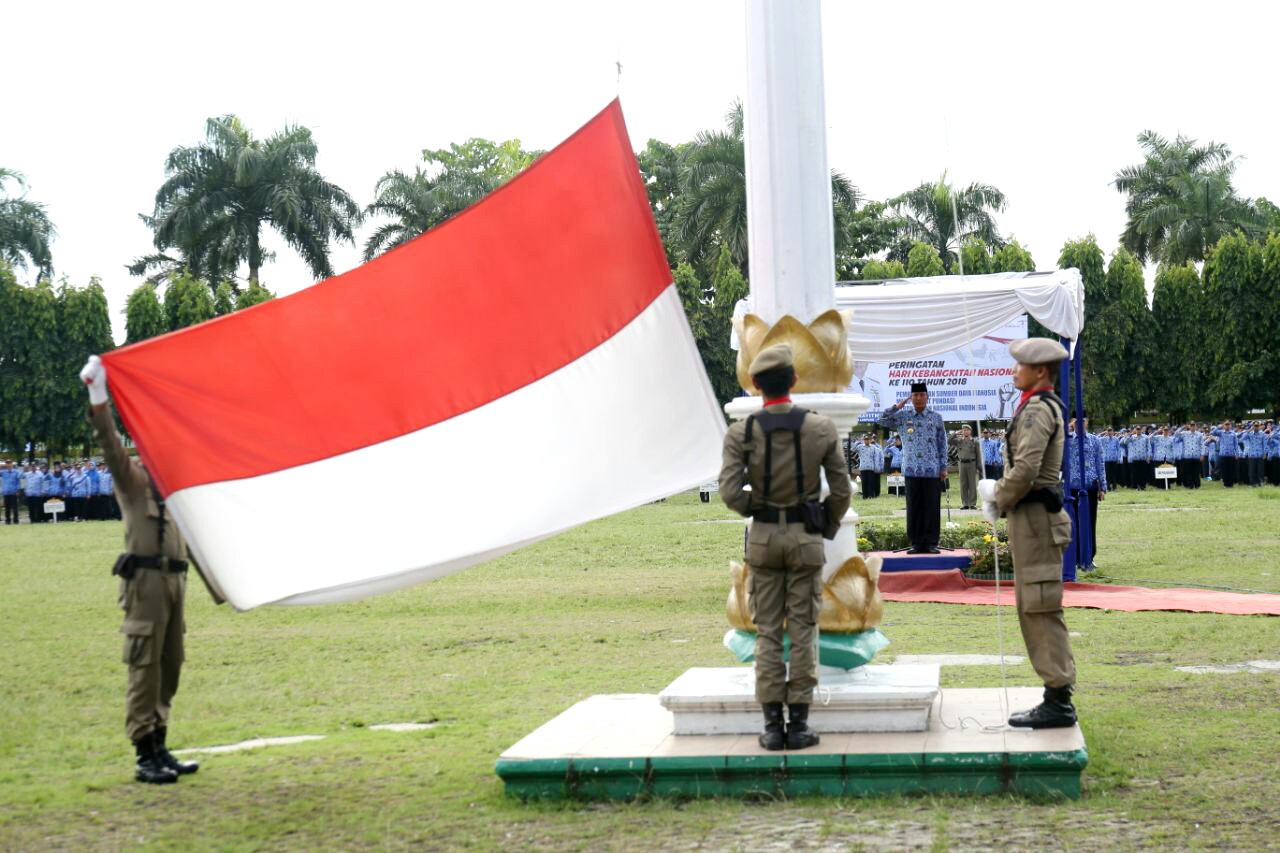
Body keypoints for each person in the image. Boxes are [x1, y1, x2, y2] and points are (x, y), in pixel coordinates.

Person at [719, 344, 851, 752]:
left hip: (763, 538)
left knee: (768, 634)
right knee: (805, 630)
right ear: (793, 380)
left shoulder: (742, 431)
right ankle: (800, 724)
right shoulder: (821, 428)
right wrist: (824, 524)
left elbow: (727, 491)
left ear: (756, 385)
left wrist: (756, 506)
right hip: (805, 539)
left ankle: (772, 725)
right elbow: (842, 490)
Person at [79, 355, 203, 784]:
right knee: (145, 664)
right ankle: (143, 752)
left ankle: (161, 742)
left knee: (171, 664)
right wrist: (99, 396)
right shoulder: (132, 480)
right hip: (146, 584)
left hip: (174, 583)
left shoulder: (175, 488)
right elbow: (109, 444)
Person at [977, 338, 1077, 729]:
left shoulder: (1037, 410)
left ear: (1040, 372)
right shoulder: (1035, 407)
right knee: (1034, 606)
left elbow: (1026, 470)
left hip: (1036, 520)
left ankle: (1058, 699)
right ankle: (1056, 694)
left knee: (1040, 607)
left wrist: (997, 495)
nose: (1013, 370)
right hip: (1032, 520)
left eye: (1020, 365)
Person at [878, 383, 948, 553]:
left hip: (932, 469)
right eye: (914, 395)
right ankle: (916, 543)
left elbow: (942, 443)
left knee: (931, 506)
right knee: (913, 506)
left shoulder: (936, 417)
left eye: (921, 395)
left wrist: (943, 467)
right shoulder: (903, 416)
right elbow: (882, 420)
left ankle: (931, 542)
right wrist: (897, 406)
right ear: (911, 398)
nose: (918, 398)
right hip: (910, 469)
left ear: (927, 397)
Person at [1065, 416, 1106, 568]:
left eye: (1083, 421)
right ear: (1072, 422)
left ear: (1087, 422)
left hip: (1090, 487)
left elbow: (1100, 464)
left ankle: (1089, 557)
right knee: (1073, 524)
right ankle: (1075, 558)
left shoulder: (1095, 440)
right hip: (1072, 488)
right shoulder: (1067, 441)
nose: (1079, 424)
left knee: (1090, 522)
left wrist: (1103, 487)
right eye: (1076, 421)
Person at [954, 425, 979, 509]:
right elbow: (949, 441)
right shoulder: (959, 441)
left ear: (970, 431)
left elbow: (978, 455)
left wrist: (978, 467)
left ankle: (972, 504)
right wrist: (956, 433)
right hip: (962, 464)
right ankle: (965, 503)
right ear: (962, 431)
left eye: (967, 430)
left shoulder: (975, 442)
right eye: (964, 430)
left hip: (972, 464)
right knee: (963, 484)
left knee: (972, 484)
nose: (965, 431)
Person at [857, 432, 883, 499]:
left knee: (871, 483)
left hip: (871, 467)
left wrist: (877, 467)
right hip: (863, 467)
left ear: (870, 440)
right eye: (865, 439)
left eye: (868, 439)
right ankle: (865, 496)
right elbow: (853, 449)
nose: (866, 440)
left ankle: (871, 495)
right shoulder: (860, 446)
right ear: (863, 440)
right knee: (864, 483)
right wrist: (858, 441)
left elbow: (876, 458)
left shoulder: (873, 448)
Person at [1, 460, 19, 525]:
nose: (8, 465)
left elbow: (18, 482)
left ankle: (16, 521)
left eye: (9, 463)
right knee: (7, 508)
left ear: (12, 464)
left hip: (14, 492)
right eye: (7, 463)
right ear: (6, 465)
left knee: (15, 508)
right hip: (6, 492)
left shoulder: (16, 472)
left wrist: (17, 490)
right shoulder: (3, 472)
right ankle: (7, 521)